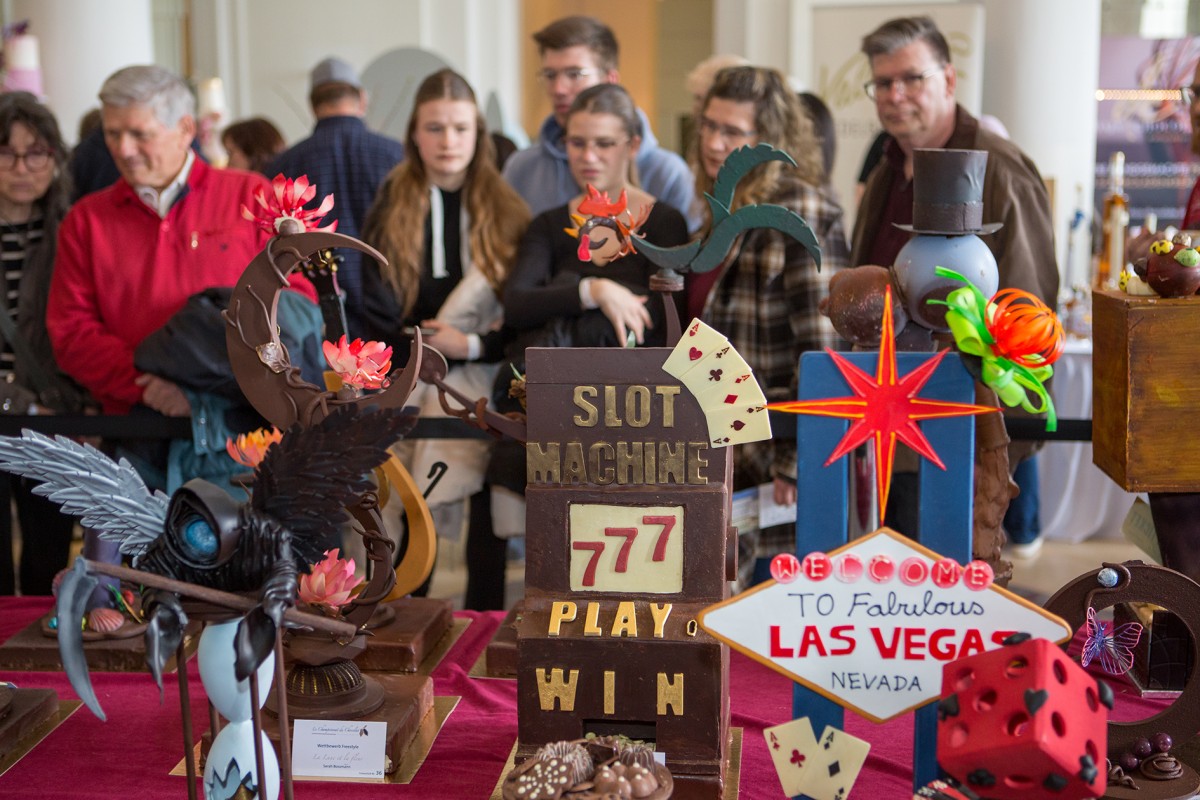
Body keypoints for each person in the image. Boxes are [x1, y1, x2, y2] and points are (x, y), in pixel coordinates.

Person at [852, 16, 1059, 546]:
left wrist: (999, 449)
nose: (894, 95)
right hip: (887, 425)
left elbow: (1029, 313)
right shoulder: (886, 169)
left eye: (911, 78)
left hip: (961, 434)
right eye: (882, 82)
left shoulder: (1001, 170)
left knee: (953, 598)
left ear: (948, 79)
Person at [48, 65, 314, 420]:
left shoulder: (252, 196)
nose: (123, 149)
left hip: (239, 423)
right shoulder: (85, 221)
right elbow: (72, 331)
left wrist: (205, 388)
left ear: (185, 129)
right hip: (137, 424)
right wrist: (149, 386)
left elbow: (298, 301)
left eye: (140, 134)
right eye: (112, 134)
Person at [361, 69, 530, 610]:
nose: (448, 141)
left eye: (460, 128)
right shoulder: (390, 205)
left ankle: (483, 625)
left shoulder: (507, 210)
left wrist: (474, 345)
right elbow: (369, 301)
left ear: (478, 133)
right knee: (413, 510)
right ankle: (409, 619)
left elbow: (524, 312)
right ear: (414, 133)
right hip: (408, 376)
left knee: (485, 520)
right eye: (435, 128)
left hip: (482, 377)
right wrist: (416, 348)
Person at [690, 65, 848, 581]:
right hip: (723, 446)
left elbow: (824, 350)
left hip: (773, 457)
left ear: (769, 140)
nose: (714, 143)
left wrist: (796, 458)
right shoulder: (722, 204)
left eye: (733, 132)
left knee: (773, 624)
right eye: (709, 126)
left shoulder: (799, 207)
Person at [0, 93, 87, 595]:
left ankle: (41, 668)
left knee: (47, 562)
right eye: (7, 153)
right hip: (18, 407)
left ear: (55, 156)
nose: (21, 167)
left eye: (36, 152)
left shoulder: (74, 229)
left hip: (54, 423)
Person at [502, 16, 695, 228]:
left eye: (574, 74)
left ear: (610, 80)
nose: (558, 89)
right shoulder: (522, 169)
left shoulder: (667, 173)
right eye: (550, 75)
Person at [268, 57, 404, 339]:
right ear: (361, 99)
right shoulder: (397, 156)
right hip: (391, 303)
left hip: (318, 312)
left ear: (313, 105)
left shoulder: (286, 164)